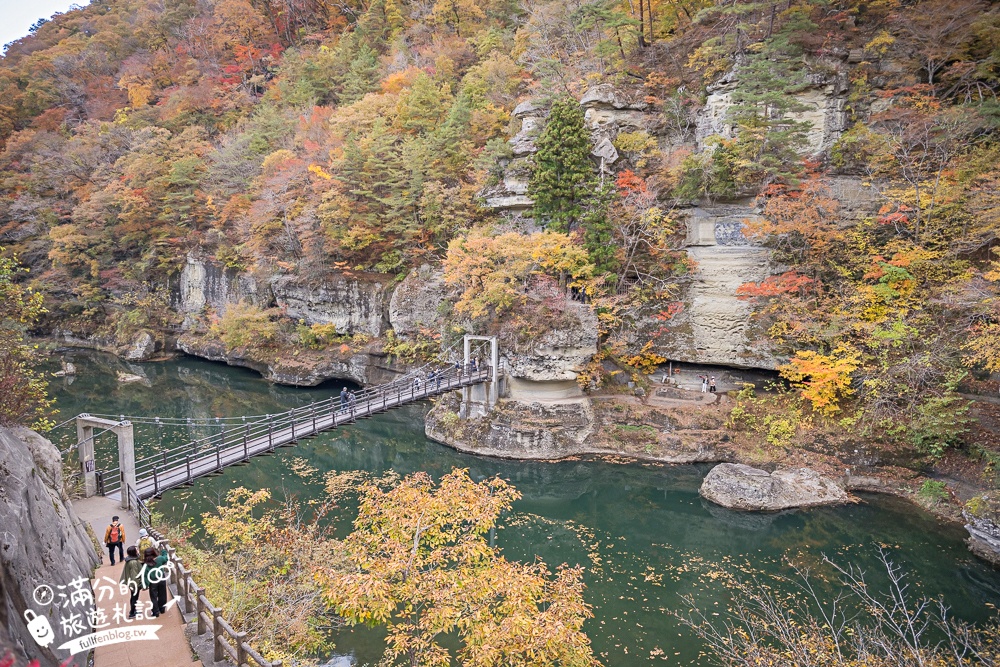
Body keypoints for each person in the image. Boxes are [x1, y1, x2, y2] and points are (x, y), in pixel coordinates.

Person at [142, 547, 169, 617]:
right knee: (162, 594)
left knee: (153, 597)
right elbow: (166, 558)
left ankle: (155, 611)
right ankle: (162, 609)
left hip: (152, 582)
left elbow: (145, 576)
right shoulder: (159, 559)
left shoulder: (145, 564)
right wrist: (163, 550)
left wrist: (145, 585)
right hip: (161, 579)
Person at [119, 546, 143, 619]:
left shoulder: (131, 560)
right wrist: (138, 584)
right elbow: (134, 575)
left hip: (131, 583)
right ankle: (132, 613)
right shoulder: (133, 562)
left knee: (133, 597)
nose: (138, 551)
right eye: (136, 550)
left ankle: (133, 611)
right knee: (134, 598)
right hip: (134, 583)